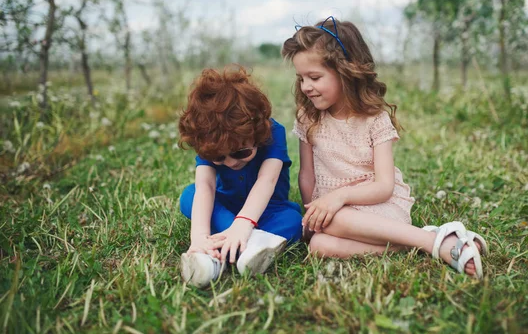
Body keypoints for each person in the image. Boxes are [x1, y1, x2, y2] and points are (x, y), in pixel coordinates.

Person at [281, 17, 488, 279]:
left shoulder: (374, 119)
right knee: (319, 245)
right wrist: (313, 212)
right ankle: (430, 238)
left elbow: (383, 187)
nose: (306, 87)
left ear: (345, 72)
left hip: (377, 207)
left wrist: (339, 198)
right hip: (332, 213)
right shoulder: (308, 117)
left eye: (314, 77)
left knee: (336, 221)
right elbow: (307, 174)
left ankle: (434, 245)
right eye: (301, 78)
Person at [178, 65, 303, 287]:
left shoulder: (273, 132)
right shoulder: (210, 137)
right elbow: (205, 186)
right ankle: (231, 247)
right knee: (190, 196)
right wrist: (198, 236)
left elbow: (268, 180)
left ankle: (226, 251)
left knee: (293, 221)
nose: (231, 162)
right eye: (219, 158)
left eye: (241, 152)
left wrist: (244, 224)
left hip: (268, 210)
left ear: (257, 131)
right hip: (227, 207)